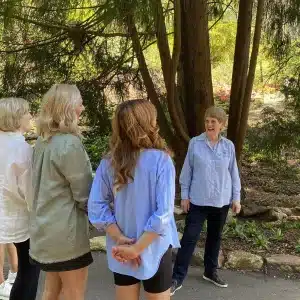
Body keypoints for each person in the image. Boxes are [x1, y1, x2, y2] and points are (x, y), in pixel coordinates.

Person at [88, 99, 180, 300]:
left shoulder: (108, 163)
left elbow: (96, 208)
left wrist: (120, 237)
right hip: (154, 245)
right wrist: (137, 248)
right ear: (149, 124)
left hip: (121, 245)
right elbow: (163, 214)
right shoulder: (161, 161)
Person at [29, 84, 93, 300]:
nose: (82, 108)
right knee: (74, 293)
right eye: (79, 103)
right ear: (67, 108)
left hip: (44, 229)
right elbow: (84, 194)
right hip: (67, 235)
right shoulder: (70, 144)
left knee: (51, 290)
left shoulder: (42, 141)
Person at [171, 106, 241, 296]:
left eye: (213, 122)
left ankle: (210, 272)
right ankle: (177, 277)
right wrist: (184, 195)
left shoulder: (229, 146)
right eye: (207, 121)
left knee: (214, 238)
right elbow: (187, 171)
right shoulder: (195, 143)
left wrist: (236, 198)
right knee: (189, 238)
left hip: (221, 201)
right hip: (198, 200)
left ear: (222, 125)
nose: (209, 125)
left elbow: (233, 173)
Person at [0, 98, 40, 300]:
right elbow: (29, 191)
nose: (31, 116)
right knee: (29, 271)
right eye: (27, 112)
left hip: (6, 214)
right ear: (16, 117)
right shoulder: (21, 149)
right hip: (19, 217)